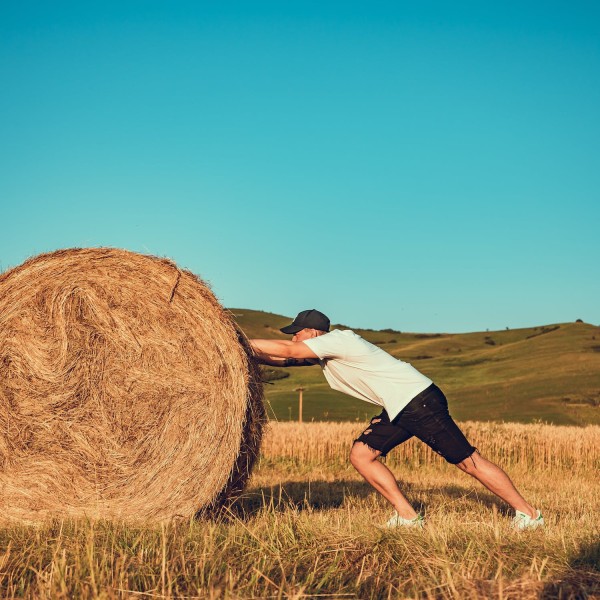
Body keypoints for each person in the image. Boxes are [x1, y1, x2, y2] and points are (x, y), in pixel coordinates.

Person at [250, 309, 544, 530]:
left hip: (418, 400)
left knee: (468, 461)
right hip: (399, 405)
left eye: (296, 332)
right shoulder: (328, 353)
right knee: (362, 455)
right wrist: (243, 353)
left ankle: (529, 514)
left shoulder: (339, 340)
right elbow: (285, 359)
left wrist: (236, 338)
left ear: (312, 333)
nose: (293, 337)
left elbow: (288, 351)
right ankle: (408, 517)